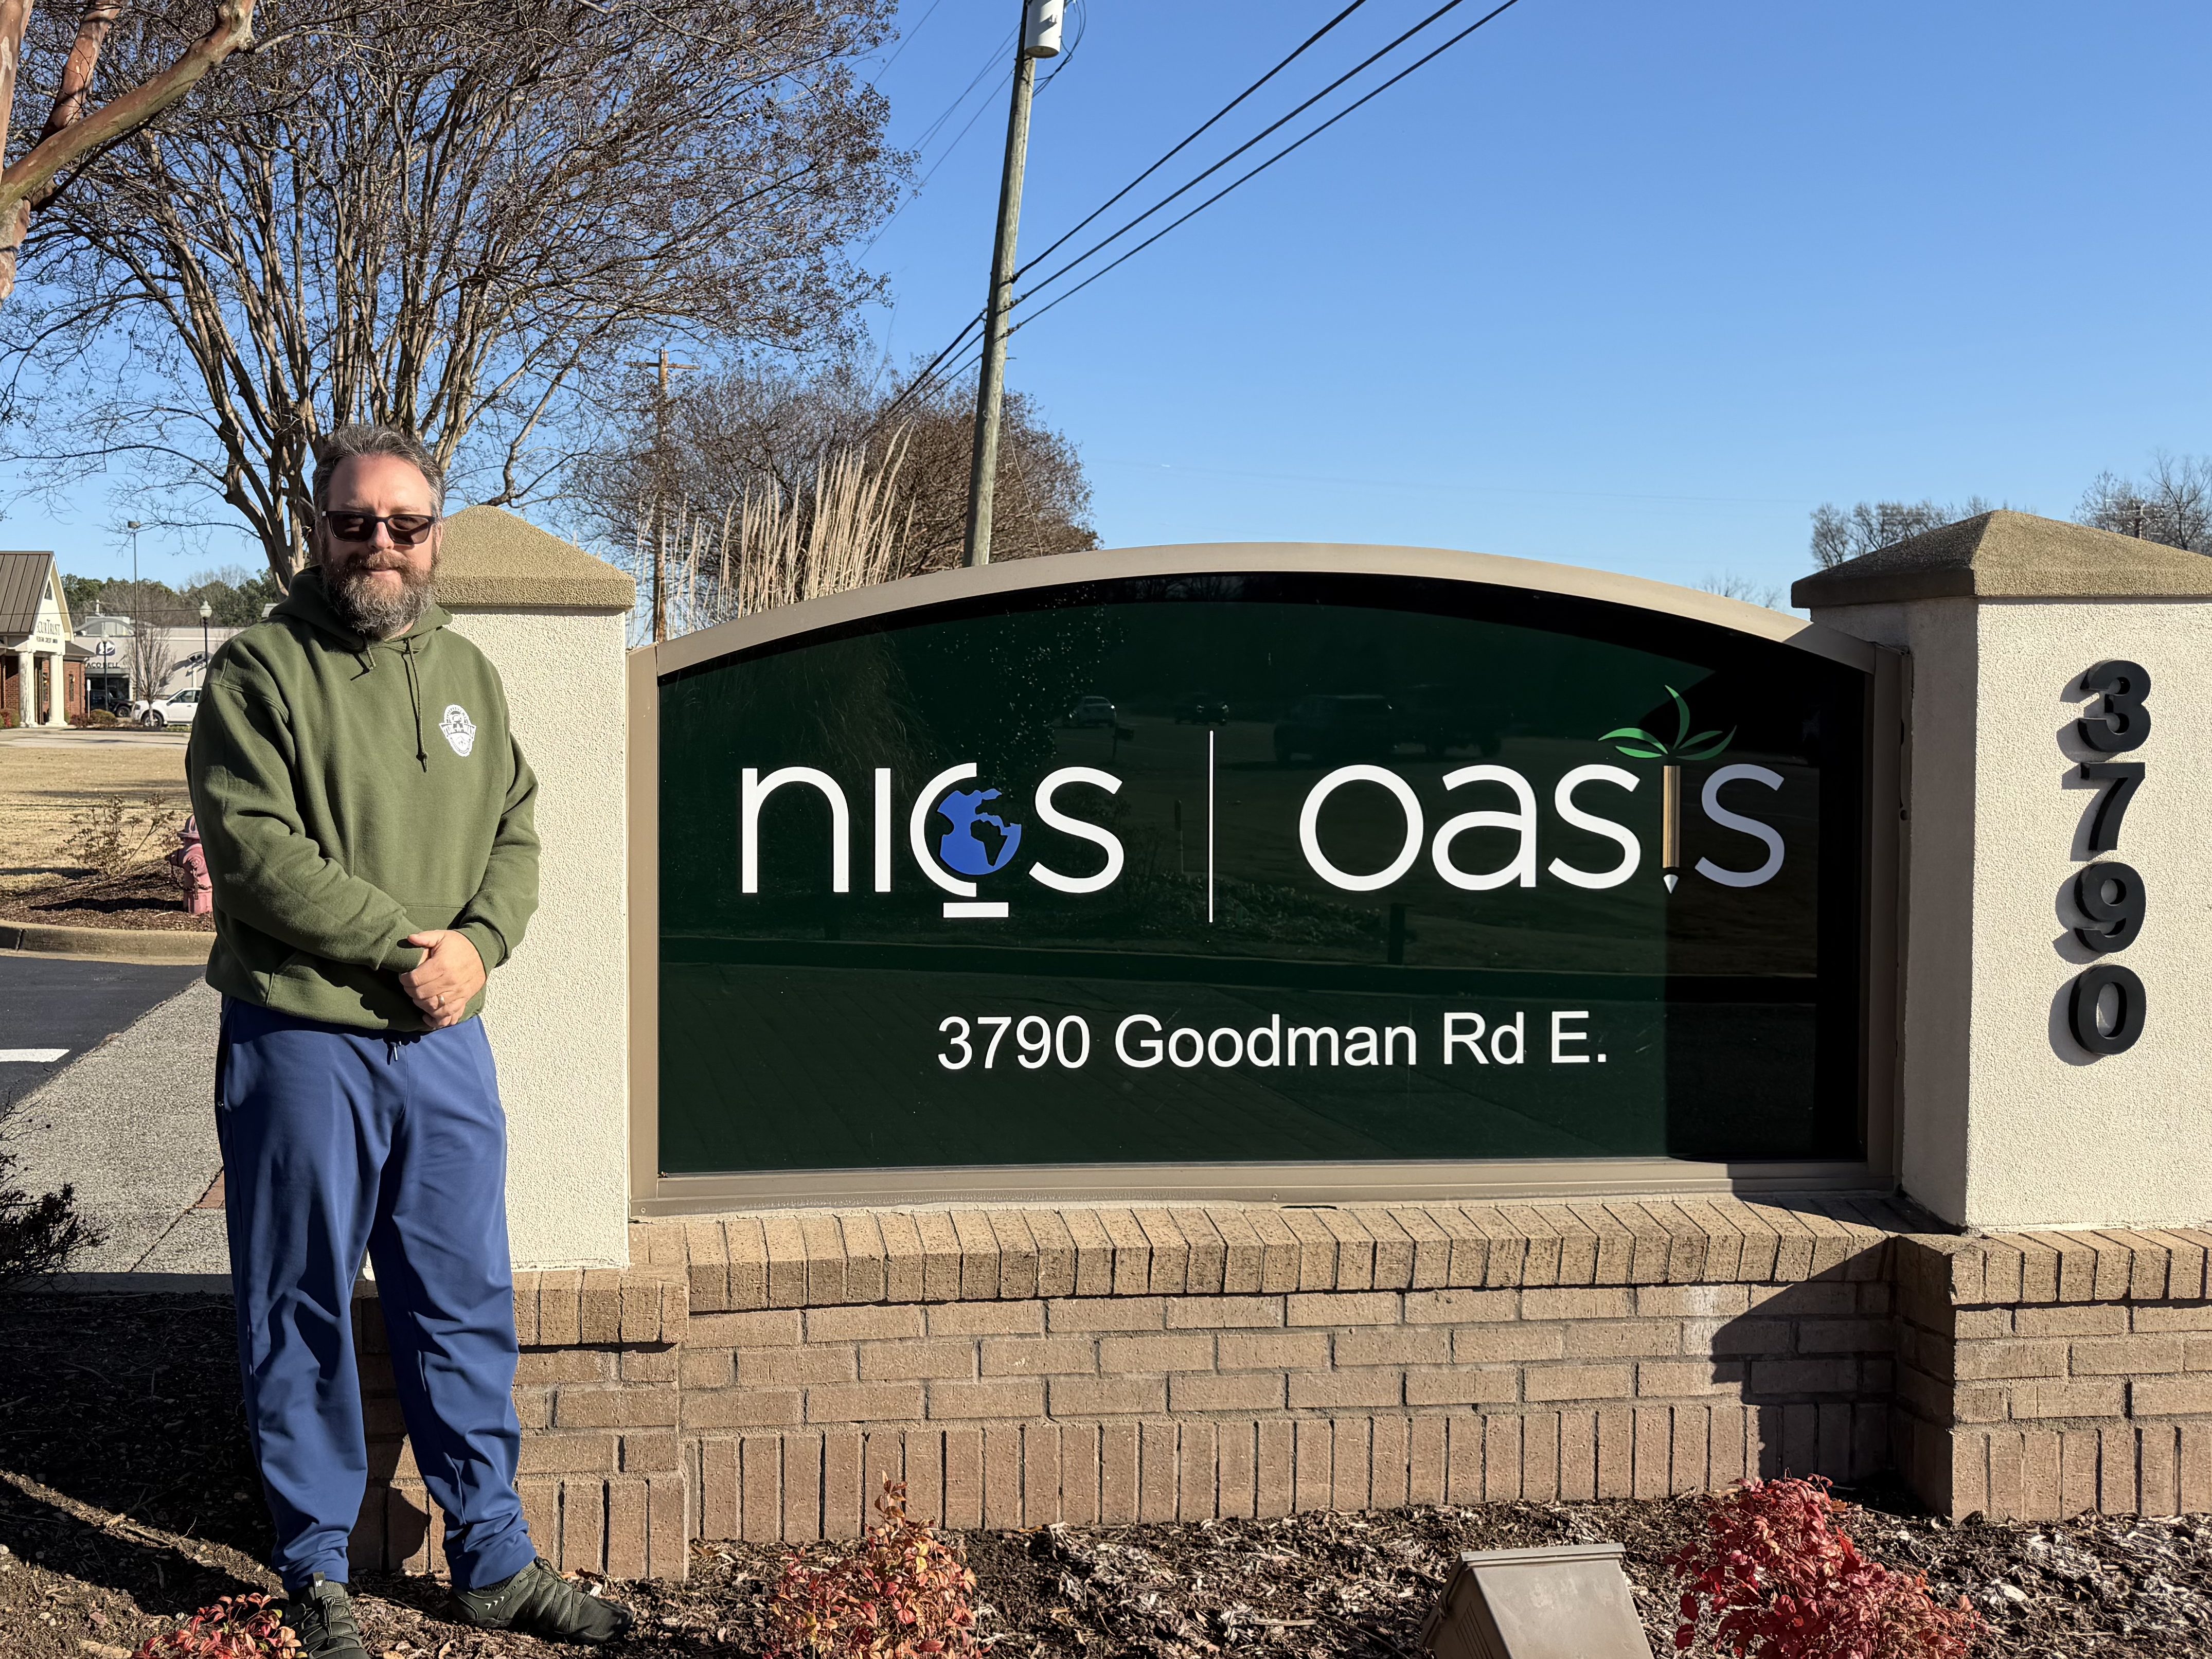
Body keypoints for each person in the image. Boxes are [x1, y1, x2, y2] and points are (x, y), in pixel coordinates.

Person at [187, 424, 633, 1655]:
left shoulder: (469, 673)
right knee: (300, 1303)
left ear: (435, 535)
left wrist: (480, 945)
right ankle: (314, 1567)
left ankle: (493, 1557)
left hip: (443, 1044)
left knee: (463, 1298)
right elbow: (257, 854)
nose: (379, 543)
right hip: (301, 1039)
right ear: (317, 529)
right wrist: (403, 946)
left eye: (405, 523)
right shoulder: (260, 670)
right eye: (355, 522)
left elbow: (517, 827)